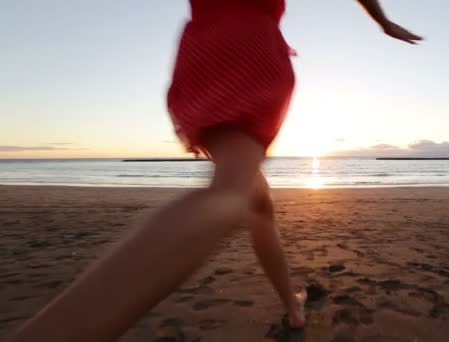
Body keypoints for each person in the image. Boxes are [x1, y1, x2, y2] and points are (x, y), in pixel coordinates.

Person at [7, 1, 421, 340]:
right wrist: (381, 20)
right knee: (230, 197)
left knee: (257, 203)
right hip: (251, 48)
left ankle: (293, 309)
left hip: (201, 53)